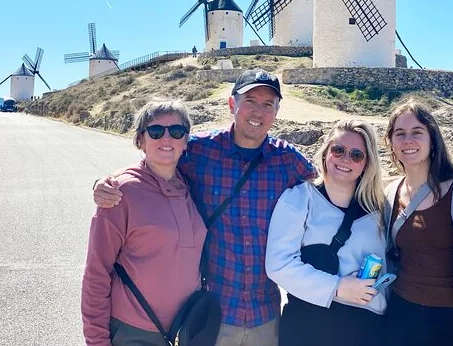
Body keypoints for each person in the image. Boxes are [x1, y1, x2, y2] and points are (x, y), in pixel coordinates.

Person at [93, 69, 316, 346]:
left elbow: (330, 183)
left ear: (277, 111)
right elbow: (154, 163)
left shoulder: (288, 160)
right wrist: (105, 183)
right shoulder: (199, 150)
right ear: (232, 104)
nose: (258, 111)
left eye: (267, 104)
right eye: (250, 101)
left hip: (265, 314)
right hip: (212, 313)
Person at [81, 99, 207, 346]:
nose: (166, 138)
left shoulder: (190, 185)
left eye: (176, 131)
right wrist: (97, 341)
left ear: (186, 140)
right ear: (141, 140)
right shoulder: (121, 192)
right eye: (156, 131)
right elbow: (96, 273)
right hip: (135, 333)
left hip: (186, 329)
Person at [383, 98, 453, 346]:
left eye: (417, 132)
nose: (408, 140)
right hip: (399, 318)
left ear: (432, 139)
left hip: (447, 323)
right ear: (391, 142)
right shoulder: (390, 193)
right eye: (400, 133)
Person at [265, 119, 387, 346]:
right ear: (325, 152)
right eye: (338, 150)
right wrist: (338, 287)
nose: (345, 159)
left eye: (356, 155)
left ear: (367, 163)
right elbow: (279, 264)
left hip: (365, 330)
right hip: (307, 329)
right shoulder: (300, 198)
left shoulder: (379, 210)